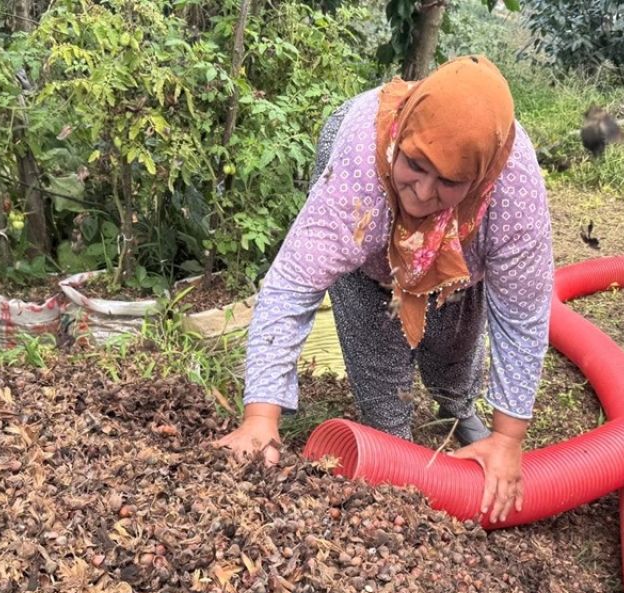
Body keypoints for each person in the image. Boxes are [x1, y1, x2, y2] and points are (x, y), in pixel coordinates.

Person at [217, 56, 553, 523]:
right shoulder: (360, 169)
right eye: (416, 165)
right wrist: (260, 418)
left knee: (455, 341)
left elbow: (521, 316)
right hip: (366, 212)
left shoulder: (512, 192)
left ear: (479, 180)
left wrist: (509, 439)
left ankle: (456, 407)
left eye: (449, 182)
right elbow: (293, 284)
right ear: (402, 143)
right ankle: (393, 443)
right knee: (377, 362)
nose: (421, 192)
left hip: (461, 259)